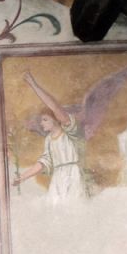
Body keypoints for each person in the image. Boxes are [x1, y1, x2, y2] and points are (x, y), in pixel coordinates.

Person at [12, 71, 84, 199]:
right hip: (57, 179)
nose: (41, 123)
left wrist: (34, 85)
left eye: (45, 119)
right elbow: (43, 163)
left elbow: (55, 108)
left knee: (72, 205)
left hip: (73, 177)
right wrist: (22, 177)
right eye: (41, 120)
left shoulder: (69, 131)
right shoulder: (49, 140)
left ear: (55, 119)